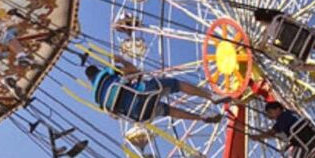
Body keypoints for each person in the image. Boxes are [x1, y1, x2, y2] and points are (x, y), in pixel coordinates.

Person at [85, 55, 228, 124]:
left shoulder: (98, 100)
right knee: (176, 84)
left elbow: (114, 115)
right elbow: (134, 70)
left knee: (168, 111)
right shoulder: (107, 73)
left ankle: (201, 117)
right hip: (143, 94)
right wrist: (121, 60)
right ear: (98, 70)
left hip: (139, 115)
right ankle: (211, 96)